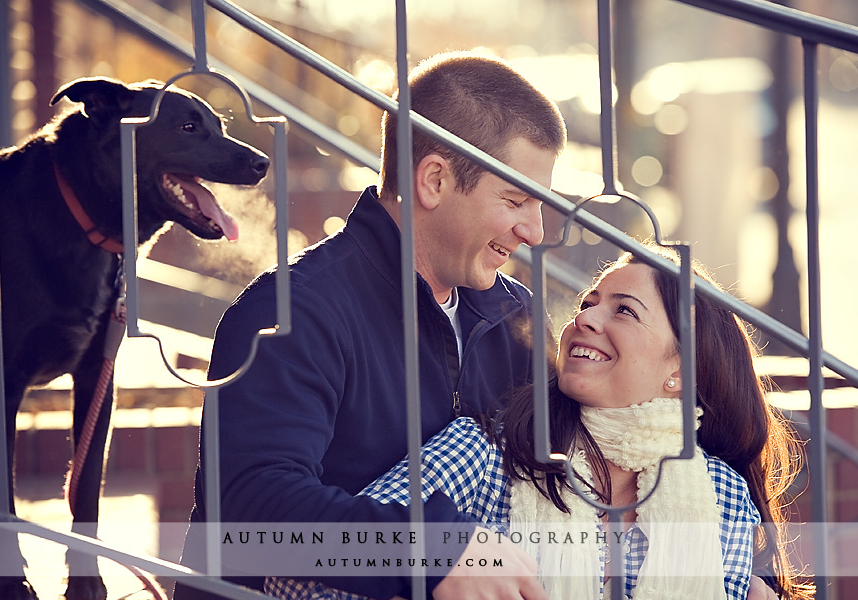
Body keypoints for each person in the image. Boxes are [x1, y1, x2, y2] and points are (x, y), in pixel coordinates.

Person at [173, 50, 567, 600]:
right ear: (433, 180)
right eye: (517, 199)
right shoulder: (289, 311)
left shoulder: (518, 317)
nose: (535, 230)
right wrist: (433, 553)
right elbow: (252, 507)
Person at [339, 243, 813, 600]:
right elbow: (307, 569)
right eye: (589, 303)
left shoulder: (721, 498)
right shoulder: (487, 454)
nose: (585, 318)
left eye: (624, 310)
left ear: (679, 372)